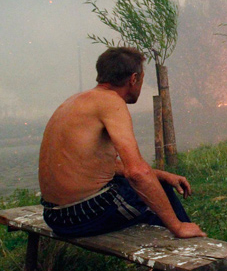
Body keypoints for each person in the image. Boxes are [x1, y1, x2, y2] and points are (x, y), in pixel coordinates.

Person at [38, 47, 206, 239]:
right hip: (82, 216)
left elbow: (97, 165)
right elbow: (136, 173)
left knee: (156, 183)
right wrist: (177, 226)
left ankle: (177, 254)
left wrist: (161, 174)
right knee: (161, 198)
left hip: (54, 215)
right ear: (134, 79)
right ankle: (190, 251)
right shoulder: (111, 102)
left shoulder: (75, 101)